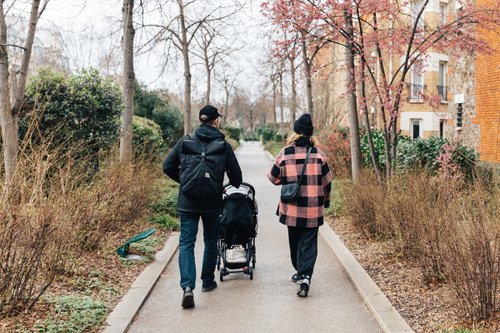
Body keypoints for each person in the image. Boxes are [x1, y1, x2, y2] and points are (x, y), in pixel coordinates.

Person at [163, 105, 242, 309]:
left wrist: (184, 181)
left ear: (200, 120)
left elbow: (167, 166)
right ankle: (207, 281)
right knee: (210, 240)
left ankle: (188, 288)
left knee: (187, 243)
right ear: (216, 121)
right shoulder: (223, 146)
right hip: (212, 203)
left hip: (188, 201)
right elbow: (237, 178)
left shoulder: (185, 141)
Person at [267, 114, 332, 297]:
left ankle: (300, 271)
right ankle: (305, 276)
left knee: (294, 242)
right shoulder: (319, 155)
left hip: (292, 208)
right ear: (311, 135)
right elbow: (327, 182)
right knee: (309, 243)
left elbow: (273, 177)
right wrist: (325, 202)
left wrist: (287, 180)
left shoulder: (285, 153)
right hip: (313, 208)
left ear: (295, 132)